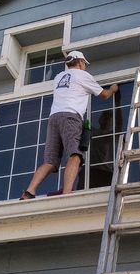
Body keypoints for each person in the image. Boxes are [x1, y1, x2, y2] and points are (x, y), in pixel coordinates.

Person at [20, 50, 118, 200]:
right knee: (75, 155)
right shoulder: (83, 75)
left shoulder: (59, 77)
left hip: (54, 118)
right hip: (70, 116)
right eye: (84, 64)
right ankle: (67, 193)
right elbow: (104, 95)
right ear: (79, 62)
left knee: (50, 161)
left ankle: (29, 192)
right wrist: (113, 89)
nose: (85, 66)